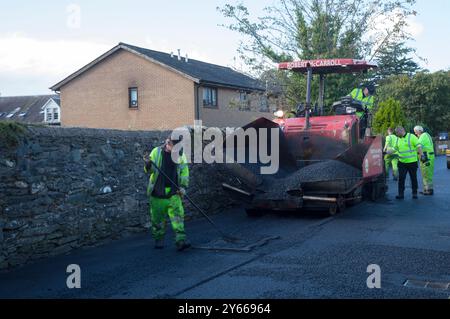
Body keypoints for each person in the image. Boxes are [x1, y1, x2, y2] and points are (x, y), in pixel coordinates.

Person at [144, 135, 190, 251]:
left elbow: (184, 171)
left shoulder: (180, 154)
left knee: (178, 218)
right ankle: (159, 239)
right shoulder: (156, 152)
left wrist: (183, 186)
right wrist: (148, 164)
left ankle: (180, 241)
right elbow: (149, 171)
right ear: (168, 143)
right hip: (158, 192)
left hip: (174, 193)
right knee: (157, 220)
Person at [393, 126, 423, 200]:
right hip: (402, 162)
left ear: (402, 131)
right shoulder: (397, 139)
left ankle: (414, 193)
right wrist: (388, 151)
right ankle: (400, 194)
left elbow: (418, 146)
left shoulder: (411, 137)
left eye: (397, 132)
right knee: (401, 178)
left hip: (412, 162)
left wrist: (421, 155)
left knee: (413, 178)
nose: (396, 134)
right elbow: (394, 149)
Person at [414, 126, 435, 195]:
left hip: (426, 157)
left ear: (419, 131)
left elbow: (418, 146)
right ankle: (428, 189)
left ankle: (428, 190)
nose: (415, 133)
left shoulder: (422, 136)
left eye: (416, 131)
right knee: (428, 174)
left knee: (426, 174)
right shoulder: (426, 134)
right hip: (429, 156)